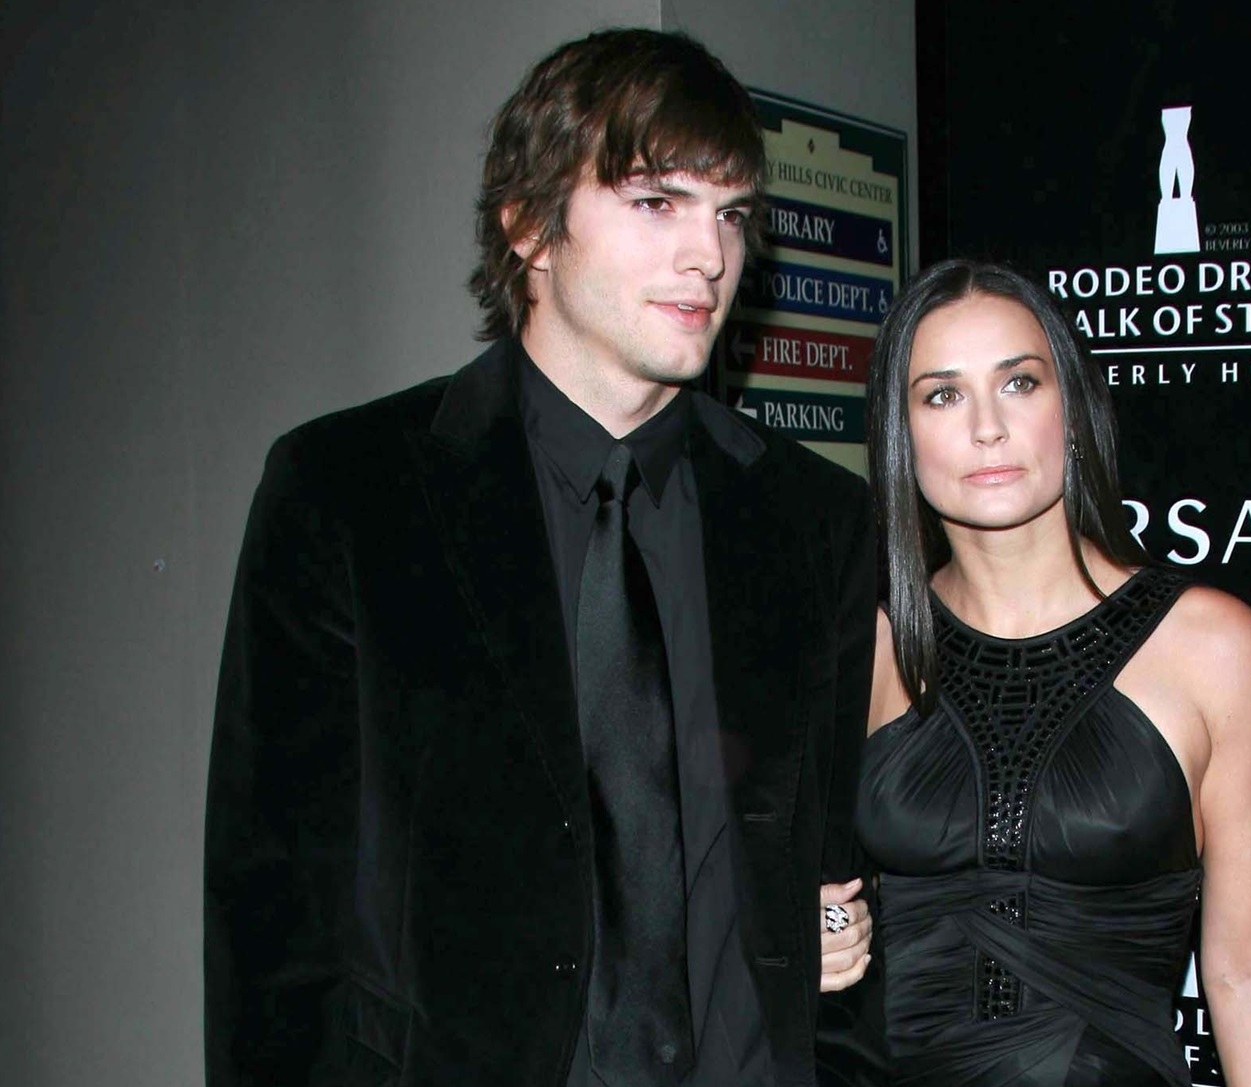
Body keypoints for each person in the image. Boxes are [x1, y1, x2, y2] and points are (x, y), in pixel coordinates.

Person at [204, 29, 878, 1087]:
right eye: (657, 202)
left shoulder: (814, 520)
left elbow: (837, 887)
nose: (708, 255)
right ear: (529, 226)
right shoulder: (349, 493)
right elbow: (277, 919)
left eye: (731, 213)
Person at [856, 259, 1251, 1086]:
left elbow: (1246, 971)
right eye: (941, 394)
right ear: (898, 428)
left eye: (1019, 382)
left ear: (1073, 404)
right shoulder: (869, 644)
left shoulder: (1211, 646)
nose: (986, 427)